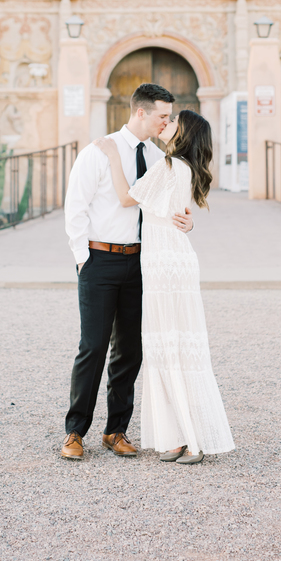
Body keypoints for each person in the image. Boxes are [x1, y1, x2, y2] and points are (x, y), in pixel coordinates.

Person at [61, 83, 194, 460]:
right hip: (100, 260)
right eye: (162, 116)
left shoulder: (157, 157)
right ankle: (75, 432)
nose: (167, 122)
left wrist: (187, 223)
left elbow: (169, 206)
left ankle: (116, 430)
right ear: (141, 112)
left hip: (142, 263)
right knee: (93, 347)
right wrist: (82, 257)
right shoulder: (98, 151)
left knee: (130, 351)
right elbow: (76, 206)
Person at [94, 109, 234, 464]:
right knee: (172, 347)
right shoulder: (184, 168)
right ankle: (181, 436)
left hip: (164, 266)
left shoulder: (171, 166)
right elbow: (176, 212)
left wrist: (112, 155)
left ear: (182, 134)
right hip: (172, 260)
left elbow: (126, 198)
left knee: (169, 347)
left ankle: (189, 438)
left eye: (172, 123)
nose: (165, 124)